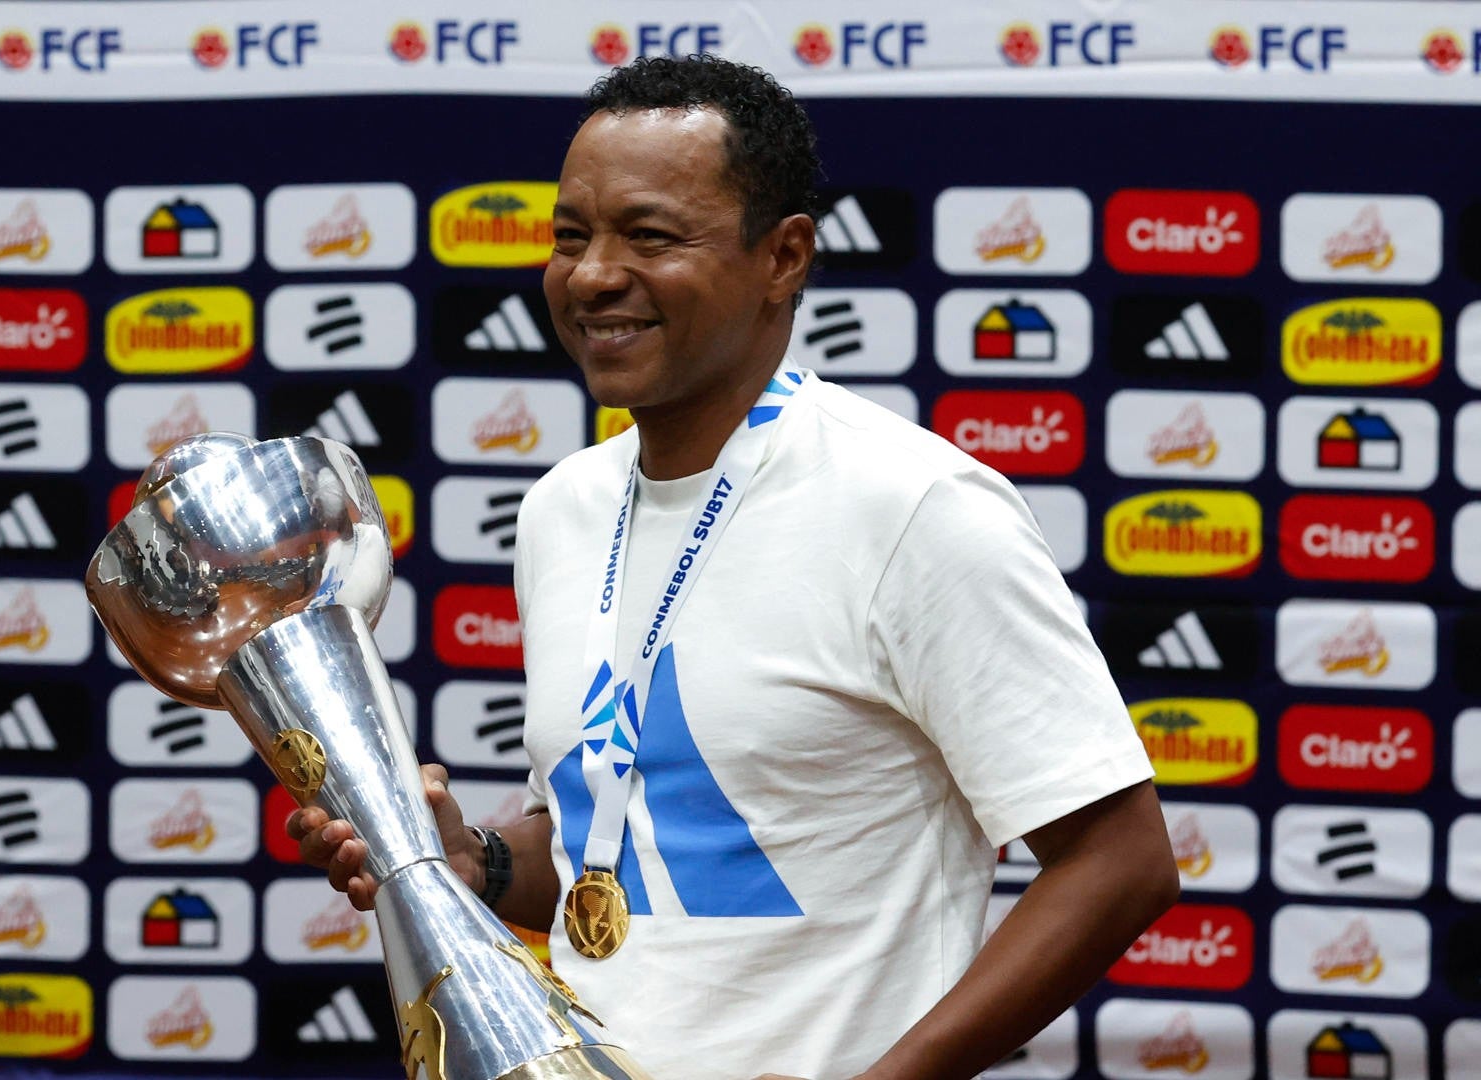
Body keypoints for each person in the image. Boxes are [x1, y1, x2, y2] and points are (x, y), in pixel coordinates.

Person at [290, 55, 1179, 1080]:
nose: (592, 275)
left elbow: (1119, 864)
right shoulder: (563, 509)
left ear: (785, 257)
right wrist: (479, 864)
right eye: (570, 236)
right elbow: (615, 852)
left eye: (650, 235)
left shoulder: (914, 508)